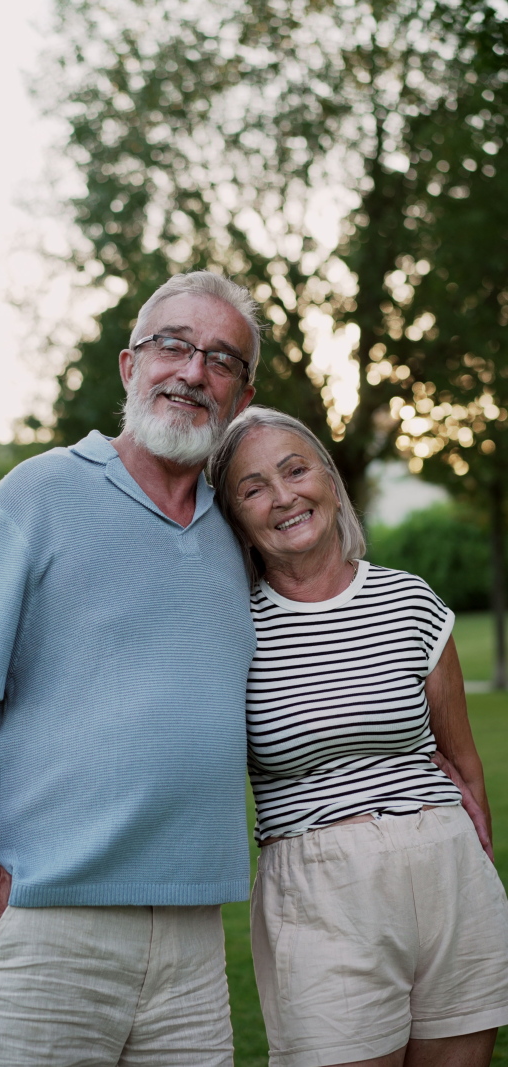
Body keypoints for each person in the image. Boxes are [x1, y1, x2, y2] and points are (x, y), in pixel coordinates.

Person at [0, 271, 258, 1067]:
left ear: (239, 397)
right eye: (172, 344)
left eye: (221, 358)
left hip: (195, 946)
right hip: (43, 927)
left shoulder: (236, 537)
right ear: (130, 367)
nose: (193, 371)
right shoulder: (38, 492)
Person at [209, 405, 508, 1067]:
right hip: (317, 892)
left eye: (295, 470)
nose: (283, 495)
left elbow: (463, 764)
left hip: (446, 869)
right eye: (253, 487)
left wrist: (471, 852)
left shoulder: (412, 602)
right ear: (234, 518)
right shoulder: (230, 630)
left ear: (330, 480)